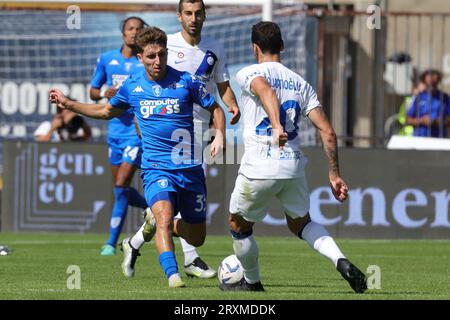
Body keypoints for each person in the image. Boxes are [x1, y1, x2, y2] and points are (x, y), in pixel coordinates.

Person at [49, 26, 225, 288]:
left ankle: (135, 240)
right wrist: (69, 104)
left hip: (189, 168)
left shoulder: (186, 81)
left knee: (197, 237)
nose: (158, 61)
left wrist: (219, 134)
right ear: (140, 57)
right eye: (151, 56)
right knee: (164, 218)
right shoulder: (132, 86)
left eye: (162, 55)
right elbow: (105, 111)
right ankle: (173, 276)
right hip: (156, 168)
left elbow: (215, 108)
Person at [219, 21, 367, 293]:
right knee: (302, 223)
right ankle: (341, 260)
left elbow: (265, 89)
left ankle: (251, 282)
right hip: (293, 165)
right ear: (282, 47)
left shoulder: (250, 72)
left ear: (254, 48)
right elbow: (328, 132)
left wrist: (276, 126)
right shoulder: (301, 83)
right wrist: (334, 173)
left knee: (238, 226)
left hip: (260, 165)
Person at [121, 0, 240, 279]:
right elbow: (146, 85)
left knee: (182, 205)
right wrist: (141, 123)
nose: (193, 18)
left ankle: (136, 242)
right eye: (188, 13)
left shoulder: (215, 47)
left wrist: (231, 107)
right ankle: (189, 259)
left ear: (204, 16)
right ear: (179, 17)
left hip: (200, 130)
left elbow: (223, 87)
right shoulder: (166, 46)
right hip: (169, 130)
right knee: (172, 206)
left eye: (198, 13)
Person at [90, 17, 149, 256]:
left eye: (139, 30)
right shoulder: (107, 59)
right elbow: (93, 92)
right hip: (114, 131)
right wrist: (105, 92)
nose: (134, 33)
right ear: (123, 33)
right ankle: (156, 207)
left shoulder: (144, 62)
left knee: (122, 182)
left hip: (135, 133)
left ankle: (111, 242)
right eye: (131, 29)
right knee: (120, 189)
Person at [406, 69, 450, 138]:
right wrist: (422, 120)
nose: (431, 86)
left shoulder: (445, 97)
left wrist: (441, 121)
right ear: (424, 81)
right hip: (419, 139)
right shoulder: (418, 97)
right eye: (429, 84)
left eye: (434, 84)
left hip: (439, 140)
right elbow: (408, 120)